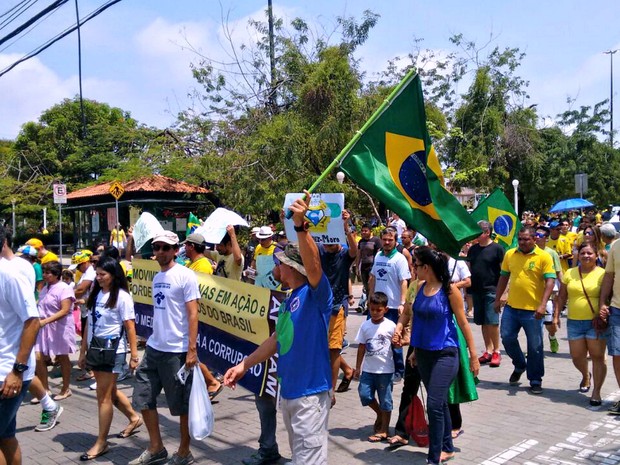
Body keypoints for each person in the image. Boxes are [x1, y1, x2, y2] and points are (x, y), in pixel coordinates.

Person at [224, 191, 333, 465]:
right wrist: (244, 365)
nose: (273, 267)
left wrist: (300, 226)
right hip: (290, 392)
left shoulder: (315, 294)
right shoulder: (288, 301)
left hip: (310, 395)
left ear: (289, 266)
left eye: (278, 262)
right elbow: (276, 341)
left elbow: (315, 267)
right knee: (300, 457)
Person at [130, 231, 200, 465]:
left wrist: (191, 349)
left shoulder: (185, 276)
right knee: (142, 396)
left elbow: (193, 313)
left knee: (180, 405)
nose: (160, 251)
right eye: (157, 247)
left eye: (165, 248)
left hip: (176, 351)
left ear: (175, 250)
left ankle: (184, 451)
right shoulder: (157, 277)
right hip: (154, 348)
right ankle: (156, 447)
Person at [409, 246, 479, 465]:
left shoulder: (449, 290)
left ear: (426, 267)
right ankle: (447, 447)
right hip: (424, 354)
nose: (414, 268)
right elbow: (416, 320)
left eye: (416, 265)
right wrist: (413, 350)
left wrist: (474, 356)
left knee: (434, 404)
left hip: (446, 354)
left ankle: (434, 457)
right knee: (439, 404)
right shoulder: (419, 287)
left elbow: (464, 322)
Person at [78, 257, 143, 461]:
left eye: (102, 275)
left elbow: (130, 326)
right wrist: (82, 351)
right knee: (109, 392)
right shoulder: (97, 294)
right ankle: (134, 418)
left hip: (113, 351)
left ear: (114, 276)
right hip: (96, 349)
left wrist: (134, 355)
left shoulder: (122, 297)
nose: (98, 278)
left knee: (103, 396)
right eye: (96, 274)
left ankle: (101, 442)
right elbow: (89, 323)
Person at [495, 227, 556, 394]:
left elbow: (550, 281)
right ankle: (520, 364)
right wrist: (497, 297)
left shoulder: (544, 256)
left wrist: (543, 305)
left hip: (533, 311)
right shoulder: (510, 254)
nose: (522, 242)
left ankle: (535, 379)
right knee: (507, 337)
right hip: (512, 308)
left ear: (534, 239)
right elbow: (503, 276)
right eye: (520, 239)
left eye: (526, 239)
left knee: (535, 346)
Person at [0, 226, 40, 465]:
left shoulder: (10, 274)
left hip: (7, 372)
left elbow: (33, 322)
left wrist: (17, 370)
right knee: (5, 436)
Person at [557, 243, 606, 406]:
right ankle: (586, 375)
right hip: (574, 322)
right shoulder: (570, 273)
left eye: (590, 253)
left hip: (595, 322)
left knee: (597, 357)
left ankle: (596, 392)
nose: (586, 256)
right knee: (577, 356)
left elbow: (608, 296)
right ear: (578, 255)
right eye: (583, 253)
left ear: (596, 256)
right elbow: (562, 297)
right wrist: (556, 315)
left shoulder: (603, 274)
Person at [319, 210, 357, 400]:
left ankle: (330, 391)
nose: (327, 243)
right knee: (322, 347)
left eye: (331, 240)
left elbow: (354, 251)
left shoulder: (343, 254)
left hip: (336, 307)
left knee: (333, 349)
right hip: (318, 307)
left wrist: (346, 226)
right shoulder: (319, 250)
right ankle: (348, 370)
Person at [369, 228, 411, 379]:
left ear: (395, 241)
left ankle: (399, 370)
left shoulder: (399, 259)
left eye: (390, 240)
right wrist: (370, 297)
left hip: (393, 306)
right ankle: (378, 368)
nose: (387, 242)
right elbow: (373, 277)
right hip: (377, 304)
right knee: (376, 337)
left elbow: (404, 281)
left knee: (395, 339)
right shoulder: (379, 255)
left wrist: (402, 303)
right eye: (384, 239)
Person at [354, 292, 395, 442]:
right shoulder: (365, 326)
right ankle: (379, 413)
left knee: (386, 400)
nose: (375, 313)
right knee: (365, 394)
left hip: (386, 370)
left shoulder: (391, 326)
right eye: (372, 309)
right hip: (368, 370)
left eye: (379, 310)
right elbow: (361, 346)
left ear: (386, 309)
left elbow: (397, 345)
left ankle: (384, 429)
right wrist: (358, 367)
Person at [35, 261, 75, 401]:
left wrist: (45, 321)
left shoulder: (64, 288)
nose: (44, 275)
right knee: (38, 357)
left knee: (62, 357)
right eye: (44, 272)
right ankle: (44, 389)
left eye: (48, 273)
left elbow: (65, 310)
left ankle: (66, 388)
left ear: (56, 274)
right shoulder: (45, 288)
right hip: (43, 328)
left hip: (60, 327)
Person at [467, 221, 505, 367]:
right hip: (477, 290)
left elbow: (504, 273)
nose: (476, 234)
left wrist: (503, 293)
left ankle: (497, 351)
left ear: (487, 232)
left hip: (492, 290)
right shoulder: (473, 250)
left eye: (479, 231)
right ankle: (488, 350)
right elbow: (470, 268)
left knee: (492, 322)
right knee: (483, 321)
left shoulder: (497, 249)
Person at [71, 250, 97, 382]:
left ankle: (91, 369)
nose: (78, 269)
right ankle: (89, 367)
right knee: (85, 339)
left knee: (89, 340)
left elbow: (81, 290)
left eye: (79, 265)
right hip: (85, 310)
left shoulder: (90, 273)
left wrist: (66, 297)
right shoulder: (85, 273)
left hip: (89, 310)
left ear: (85, 262)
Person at [356, 223, 382, 313]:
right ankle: (368, 306)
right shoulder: (361, 241)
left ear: (370, 231)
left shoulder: (376, 240)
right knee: (366, 287)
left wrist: (376, 267)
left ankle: (374, 306)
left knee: (372, 286)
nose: (363, 232)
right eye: (362, 231)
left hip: (373, 266)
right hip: (364, 266)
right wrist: (357, 266)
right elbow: (359, 254)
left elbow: (379, 254)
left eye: (365, 231)